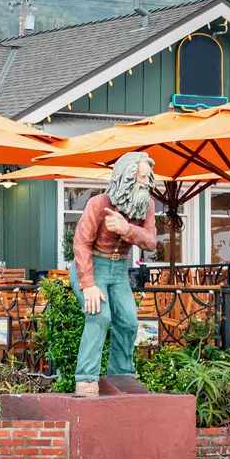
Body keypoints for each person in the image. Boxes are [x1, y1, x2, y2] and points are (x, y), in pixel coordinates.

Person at [70, 151, 157, 396]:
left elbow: (150, 242)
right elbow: (80, 244)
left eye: (147, 178)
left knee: (129, 321)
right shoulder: (98, 204)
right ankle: (85, 378)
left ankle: (120, 376)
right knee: (99, 316)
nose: (144, 183)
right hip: (91, 266)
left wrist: (126, 228)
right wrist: (88, 283)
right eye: (140, 178)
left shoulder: (146, 205)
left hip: (119, 271)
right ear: (125, 177)